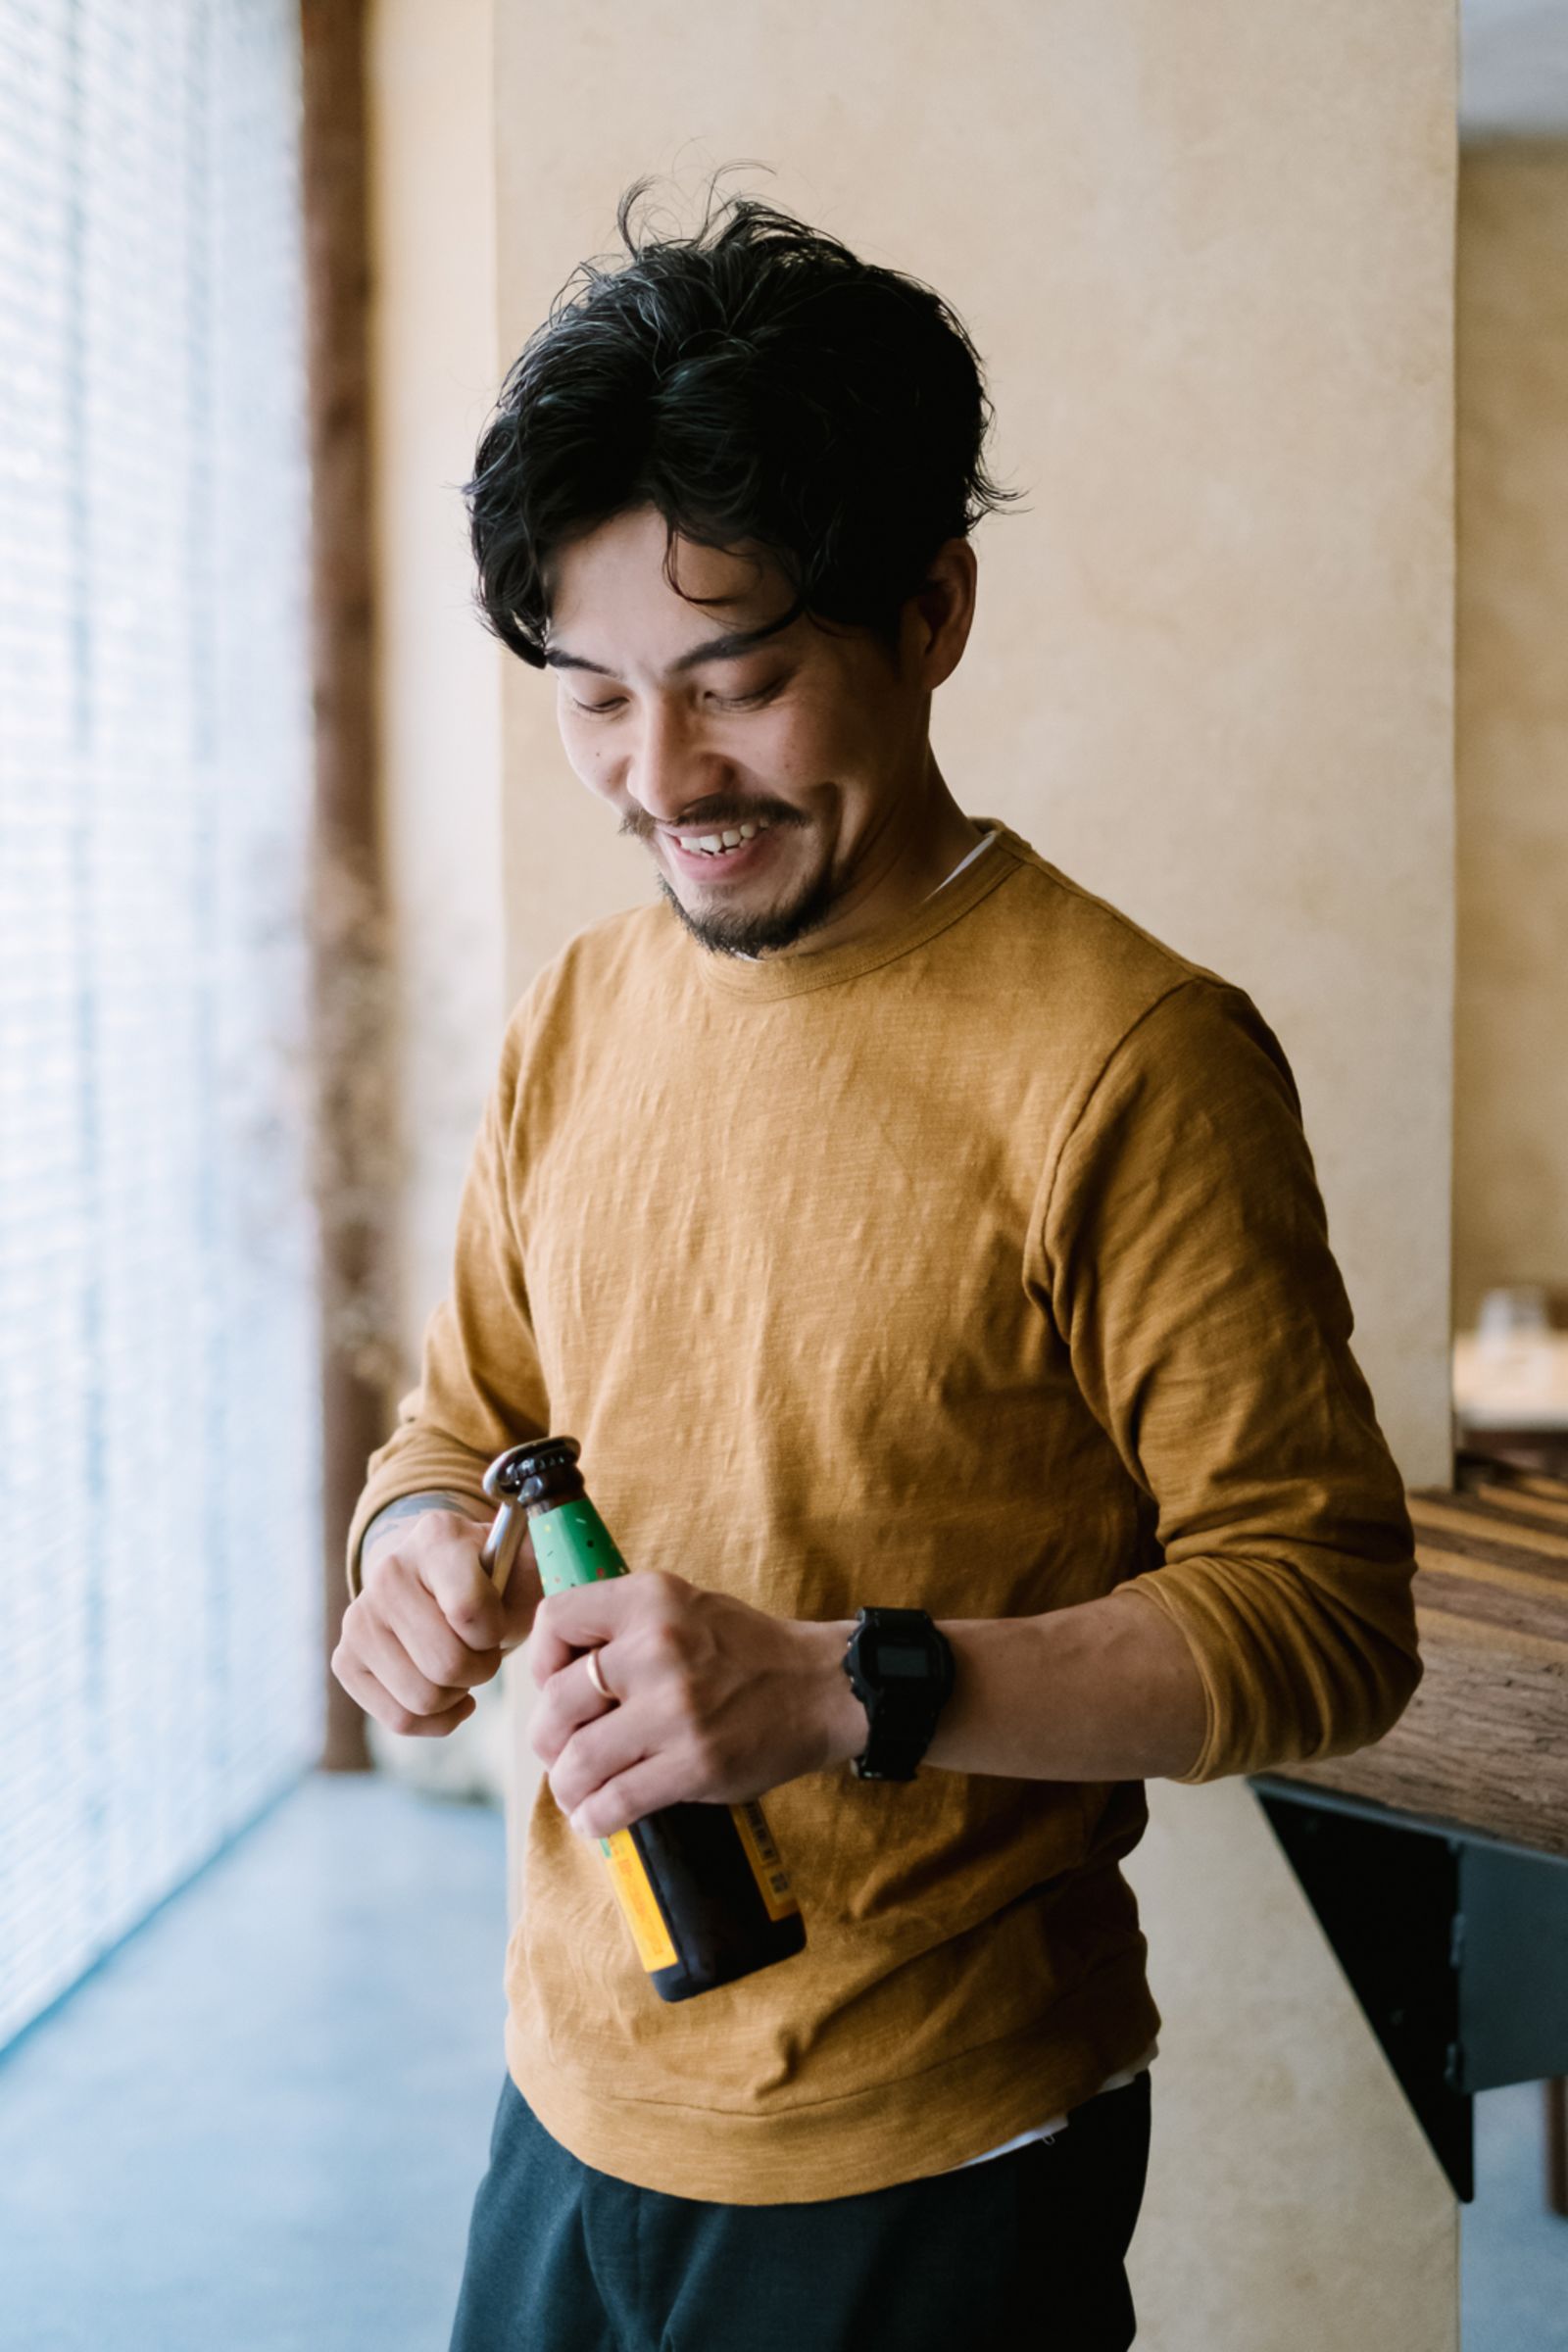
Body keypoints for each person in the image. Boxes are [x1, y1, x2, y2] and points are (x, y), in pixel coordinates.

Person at [331, 179, 1423, 2352]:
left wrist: (842, 1686)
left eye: (736, 684)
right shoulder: (575, 1018)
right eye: (593, 700)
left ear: (930, 611)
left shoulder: (1134, 1059)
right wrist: (412, 1555)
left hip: (936, 2155)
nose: (663, 781)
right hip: (567, 2093)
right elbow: (463, 1426)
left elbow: (1320, 1621)